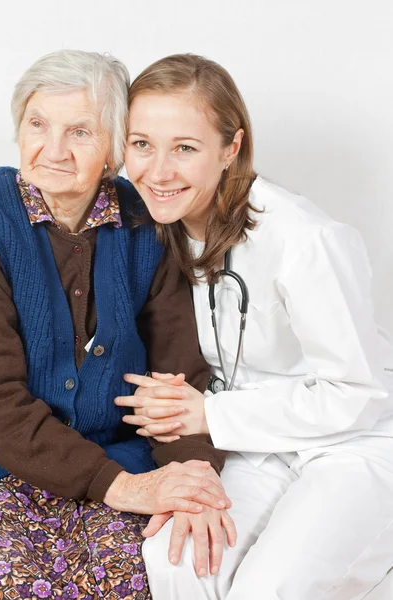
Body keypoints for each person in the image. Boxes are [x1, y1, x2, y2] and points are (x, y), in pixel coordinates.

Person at [0, 50, 234, 600]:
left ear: (115, 148)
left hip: (112, 458)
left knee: (136, 581)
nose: (52, 150)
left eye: (79, 131)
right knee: (4, 588)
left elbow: (180, 379)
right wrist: (122, 487)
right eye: (38, 124)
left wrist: (191, 479)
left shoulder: (146, 224)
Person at [117, 53, 393, 599]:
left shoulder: (305, 239)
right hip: (250, 442)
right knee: (176, 562)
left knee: (268, 588)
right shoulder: (151, 226)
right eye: (141, 143)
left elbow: (360, 393)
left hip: (350, 443)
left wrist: (207, 411)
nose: (158, 170)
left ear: (231, 148)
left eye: (186, 148)